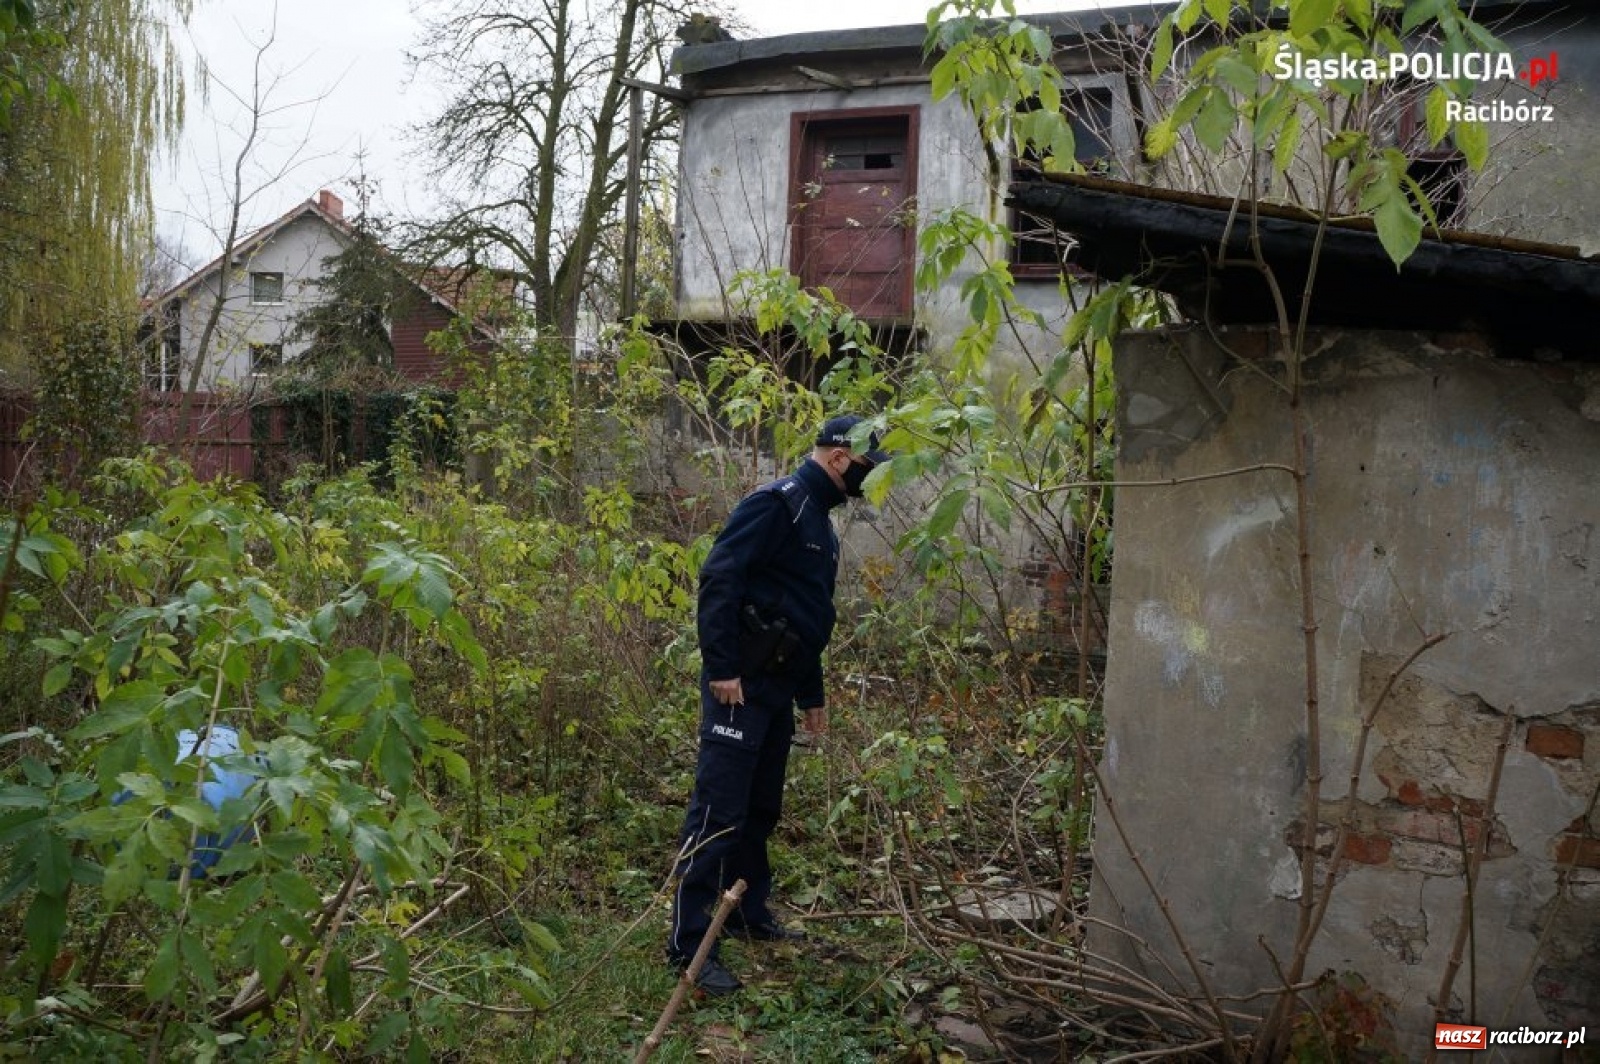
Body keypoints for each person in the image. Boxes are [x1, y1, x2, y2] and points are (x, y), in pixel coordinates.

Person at [666, 414, 888, 995]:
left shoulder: (820, 523)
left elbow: (806, 617)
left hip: (778, 690)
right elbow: (719, 579)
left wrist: (811, 696)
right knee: (718, 814)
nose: (869, 477)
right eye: (866, 466)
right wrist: (721, 669)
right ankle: (688, 946)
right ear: (839, 457)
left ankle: (745, 911)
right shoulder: (776, 505)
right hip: (739, 687)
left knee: (760, 809)